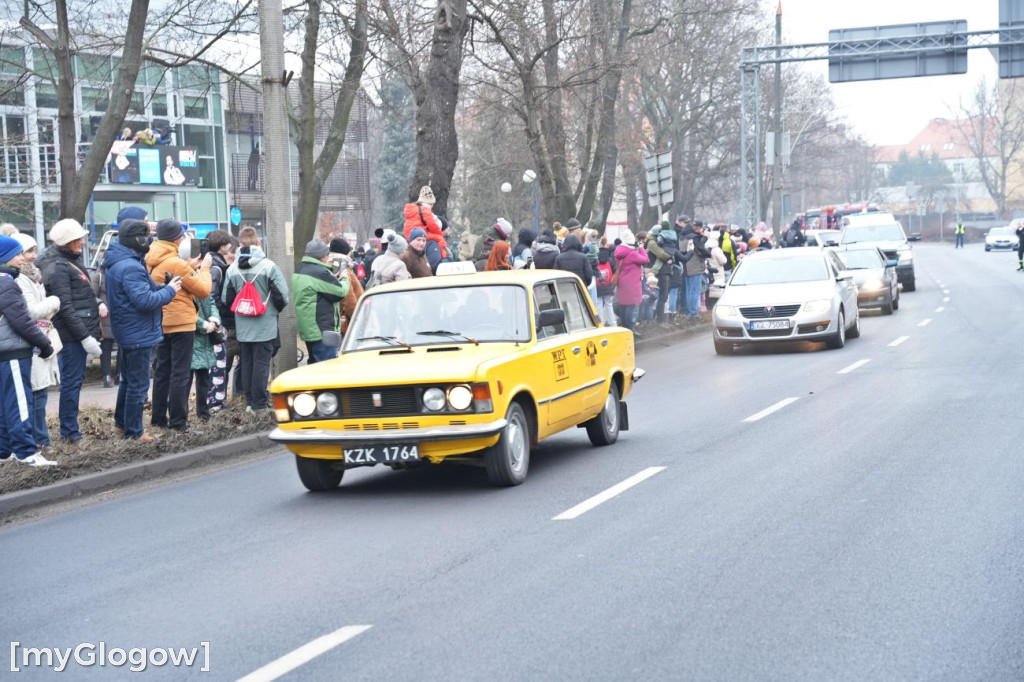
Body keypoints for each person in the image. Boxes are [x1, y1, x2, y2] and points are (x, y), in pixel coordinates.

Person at [105, 219, 180, 441]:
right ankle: (135, 432)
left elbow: (136, 293)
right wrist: (170, 291)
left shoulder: (120, 262)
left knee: (128, 381)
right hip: (138, 332)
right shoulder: (130, 266)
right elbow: (145, 301)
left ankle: (122, 424)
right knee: (137, 385)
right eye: (146, 236)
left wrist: (161, 287)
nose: (149, 241)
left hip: (129, 331)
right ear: (136, 240)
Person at [37, 218, 103, 443]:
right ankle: (70, 433)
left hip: (76, 333)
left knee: (73, 382)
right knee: (71, 383)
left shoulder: (65, 261)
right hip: (71, 336)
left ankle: (70, 430)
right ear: (67, 242)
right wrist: (85, 337)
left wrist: (96, 302)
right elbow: (64, 305)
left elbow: (77, 294)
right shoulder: (58, 267)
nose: (83, 242)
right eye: (78, 239)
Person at [146, 218, 213, 433]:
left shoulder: (152, 258)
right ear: (178, 239)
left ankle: (158, 419)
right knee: (180, 374)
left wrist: (189, 268)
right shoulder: (176, 263)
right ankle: (179, 422)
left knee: (162, 371)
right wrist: (204, 269)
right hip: (182, 323)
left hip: (161, 321)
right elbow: (203, 290)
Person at [0, 235, 57, 466]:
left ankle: (4, 452)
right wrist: (44, 345)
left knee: (5, 406)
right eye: (16, 254)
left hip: (4, 353)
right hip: (12, 352)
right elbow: (21, 321)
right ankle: (26, 453)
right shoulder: (6, 284)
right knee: (20, 403)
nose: (21, 259)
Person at [223, 227, 289, 412]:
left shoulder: (233, 268)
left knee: (247, 362)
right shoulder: (269, 266)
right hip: (265, 324)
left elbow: (226, 298)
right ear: (258, 243)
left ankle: (249, 402)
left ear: (240, 244)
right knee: (261, 363)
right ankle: (260, 405)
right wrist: (272, 311)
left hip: (243, 325)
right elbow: (283, 296)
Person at [292, 239, 350, 364]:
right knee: (327, 369)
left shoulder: (300, 270)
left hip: (309, 328)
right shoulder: (319, 273)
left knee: (314, 366)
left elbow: (316, 289)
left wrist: (330, 279)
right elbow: (340, 292)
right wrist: (345, 277)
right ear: (323, 256)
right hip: (322, 329)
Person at [207, 229, 238, 404]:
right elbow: (213, 296)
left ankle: (216, 399)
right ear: (221, 246)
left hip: (219, 320)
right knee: (220, 364)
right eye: (227, 244)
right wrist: (222, 314)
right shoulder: (217, 267)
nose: (230, 247)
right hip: (220, 322)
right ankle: (216, 401)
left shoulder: (212, 263)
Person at [189, 293, 220, 420]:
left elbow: (211, 301)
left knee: (203, 377)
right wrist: (204, 324)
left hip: (205, 338)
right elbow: (185, 312)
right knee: (185, 379)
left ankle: (203, 412)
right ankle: (180, 415)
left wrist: (213, 319)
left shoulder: (203, 279)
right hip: (190, 337)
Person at [403, 186, 450, 267]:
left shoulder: (412, 209)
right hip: (421, 233)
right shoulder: (425, 210)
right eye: (431, 204)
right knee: (439, 238)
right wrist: (441, 234)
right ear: (429, 203)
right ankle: (445, 256)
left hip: (410, 236)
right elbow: (433, 227)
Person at [613, 232, 650, 333]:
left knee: (623, 305)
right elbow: (646, 259)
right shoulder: (632, 254)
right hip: (632, 283)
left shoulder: (618, 251)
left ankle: (625, 328)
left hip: (622, 282)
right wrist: (641, 248)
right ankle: (630, 329)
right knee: (632, 305)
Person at [678, 219, 713, 320]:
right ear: (697, 228)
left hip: (686, 266)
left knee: (689, 291)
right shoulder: (693, 237)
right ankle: (694, 314)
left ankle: (690, 311)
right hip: (694, 266)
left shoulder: (681, 236)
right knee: (695, 291)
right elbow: (700, 247)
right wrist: (705, 237)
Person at [594, 237, 617, 325]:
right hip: (608, 286)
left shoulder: (595, 258)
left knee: (599, 305)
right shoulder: (610, 259)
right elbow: (614, 270)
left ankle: (600, 324)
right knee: (609, 304)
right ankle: (613, 324)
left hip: (598, 286)